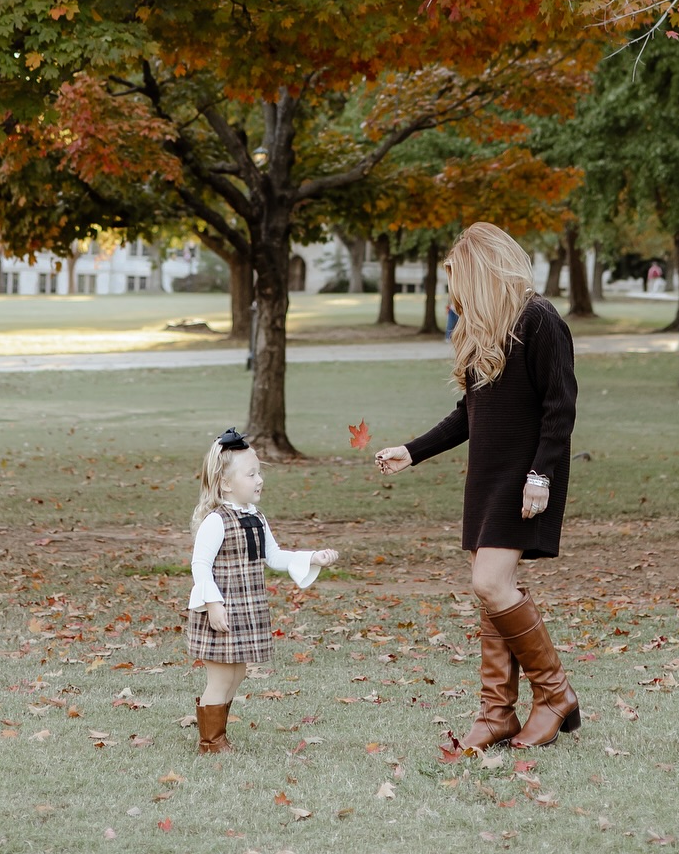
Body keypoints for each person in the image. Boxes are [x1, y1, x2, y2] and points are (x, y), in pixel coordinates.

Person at [374, 222, 579, 751]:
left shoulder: (539, 320)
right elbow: (469, 415)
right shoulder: (483, 332)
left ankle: (555, 696)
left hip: (524, 475)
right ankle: (496, 713)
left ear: (487, 271)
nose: (454, 292)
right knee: (490, 592)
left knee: (491, 584)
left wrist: (541, 476)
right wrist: (412, 451)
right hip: (487, 476)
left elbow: (560, 410)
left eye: (460, 278)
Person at [186, 428, 338, 753]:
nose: (260, 479)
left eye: (260, 472)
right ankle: (210, 742)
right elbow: (200, 565)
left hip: (246, 607)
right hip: (221, 610)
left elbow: (275, 556)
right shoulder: (217, 521)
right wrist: (213, 603)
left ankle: (220, 733)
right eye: (251, 473)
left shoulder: (255, 517)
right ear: (226, 483)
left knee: (238, 673)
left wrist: (313, 557)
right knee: (220, 679)